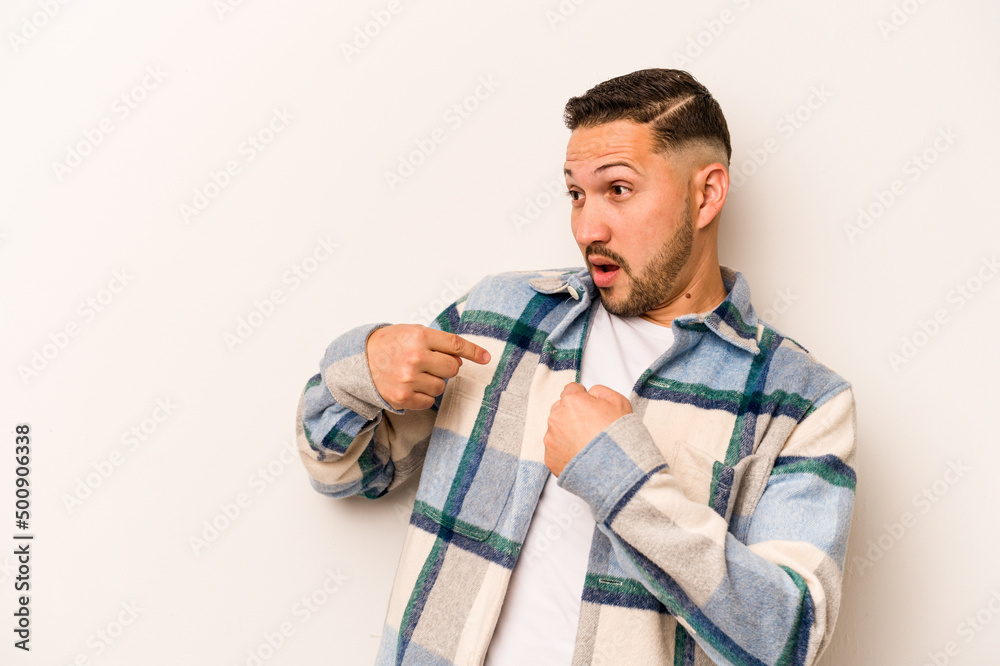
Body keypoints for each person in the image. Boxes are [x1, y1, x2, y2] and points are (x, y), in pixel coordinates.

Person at [295, 68, 857, 665]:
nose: (588, 228)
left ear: (705, 195)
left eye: (618, 189)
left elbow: (787, 641)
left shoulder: (799, 401)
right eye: (576, 193)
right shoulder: (499, 318)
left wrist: (618, 478)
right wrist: (362, 368)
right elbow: (345, 472)